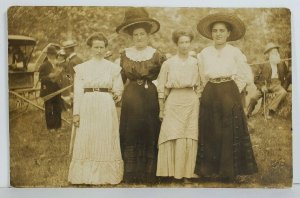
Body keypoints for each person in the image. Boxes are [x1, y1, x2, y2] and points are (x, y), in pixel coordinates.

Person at [195, 13, 258, 181]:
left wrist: (230, 91)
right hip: (210, 91)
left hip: (229, 91)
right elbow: (201, 76)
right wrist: (206, 92)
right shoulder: (204, 53)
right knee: (210, 128)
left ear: (228, 33)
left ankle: (229, 172)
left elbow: (244, 76)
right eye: (215, 31)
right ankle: (209, 171)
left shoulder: (235, 52)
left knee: (230, 130)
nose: (218, 34)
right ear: (211, 33)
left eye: (222, 30)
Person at [116, 7, 166, 184]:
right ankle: (132, 174)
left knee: (150, 131)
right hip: (131, 97)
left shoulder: (157, 55)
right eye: (136, 35)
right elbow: (118, 79)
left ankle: (150, 174)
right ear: (132, 36)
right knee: (131, 131)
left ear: (148, 35)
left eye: (142, 34)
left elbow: (163, 77)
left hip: (150, 96)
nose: (139, 38)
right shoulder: (124, 55)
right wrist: (116, 94)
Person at [68, 32, 124, 185]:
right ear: (90, 49)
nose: (99, 50)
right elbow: (78, 92)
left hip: (106, 104)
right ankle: (85, 176)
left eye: (101, 47)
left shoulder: (113, 68)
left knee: (105, 136)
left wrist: (117, 95)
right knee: (88, 136)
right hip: (87, 104)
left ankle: (106, 176)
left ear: (106, 48)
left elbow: (118, 88)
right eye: (96, 47)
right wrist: (76, 113)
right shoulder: (81, 68)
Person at [156, 29, 200, 180]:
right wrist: (161, 109)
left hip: (191, 100)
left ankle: (187, 173)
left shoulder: (196, 63)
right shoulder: (168, 63)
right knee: (172, 132)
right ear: (176, 44)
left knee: (189, 135)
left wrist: (199, 101)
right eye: (181, 42)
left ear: (190, 43)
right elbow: (162, 87)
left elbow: (200, 86)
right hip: (174, 100)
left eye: (187, 42)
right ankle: (170, 173)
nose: (185, 45)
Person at [247, 42, 288, 119]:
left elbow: (287, 75)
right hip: (265, 85)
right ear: (268, 55)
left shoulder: (282, 63)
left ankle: (270, 110)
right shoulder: (263, 64)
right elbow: (256, 78)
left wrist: (283, 85)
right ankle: (248, 113)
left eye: (276, 52)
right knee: (253, 97)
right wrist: (262, 87)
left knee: (283, 92)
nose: (275, 54)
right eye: (273, 52)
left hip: (277, 84)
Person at [38, 46, 62, 132]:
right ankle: (50, 127)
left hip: (57, 89)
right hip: (47, 90)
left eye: (54, 54)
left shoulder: (58, 64)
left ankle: (58, 127)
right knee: (48, 109)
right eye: (51, 54)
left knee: (57, 108)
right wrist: (49, 77)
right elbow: (40, 78)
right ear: (47, 55)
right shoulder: (43, 65)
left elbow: (63, 75)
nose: (52, 56)